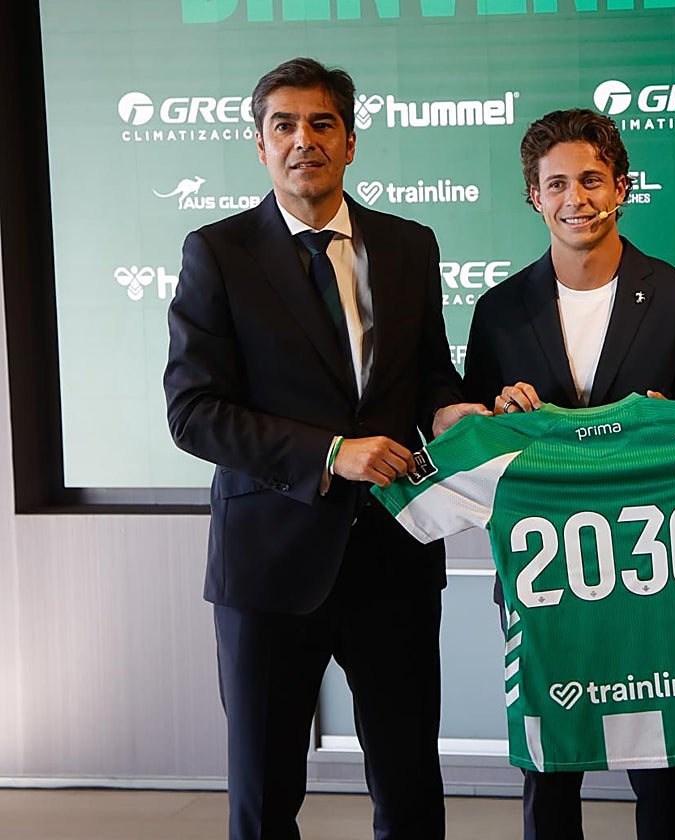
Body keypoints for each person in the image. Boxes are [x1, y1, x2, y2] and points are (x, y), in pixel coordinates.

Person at [163, 57, 485, 840]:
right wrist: (331, 450)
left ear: (349, 142)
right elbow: (194, 412)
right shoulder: (219, 253)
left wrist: (452, 413)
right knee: (266, 794)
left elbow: (429, 377)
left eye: (321, 124)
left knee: (410, 787)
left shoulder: (409, 246)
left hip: (393, 560)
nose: (303, 140)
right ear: (260, 144)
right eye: (284, 125)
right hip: (269, 565)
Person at [462, 107, 675, 840]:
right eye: (557, 184)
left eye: (591, 179)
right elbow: (477, 449)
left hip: (656, 576)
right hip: (545, 578)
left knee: (665, 781)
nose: (575, 198)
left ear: (622, 188)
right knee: (549, 777)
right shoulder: (499, 312)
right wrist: (497, 414)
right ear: (534, 199)